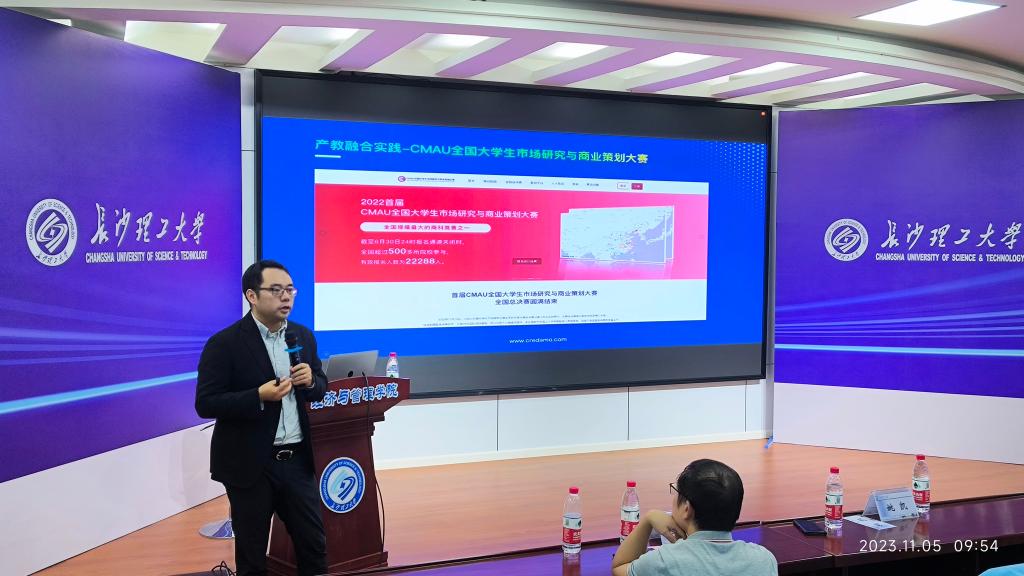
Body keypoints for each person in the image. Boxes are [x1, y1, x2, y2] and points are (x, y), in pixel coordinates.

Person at [196, 260, 328, 576]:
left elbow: (320, 387)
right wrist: (257, 395)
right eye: (276, 290)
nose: (286, 297)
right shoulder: (225, 343)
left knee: (314, 547)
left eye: (290, 290)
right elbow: (206, 403)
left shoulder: (302, 336)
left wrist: (312, 381)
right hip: (250, 466)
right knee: (252, 556)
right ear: (252, 296)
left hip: (296, 462)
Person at [612, 459, 777, 576]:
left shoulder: (663, 561)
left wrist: (648, 519)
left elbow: (619, 567)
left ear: (687, 509)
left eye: (676, 491)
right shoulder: (764, 559)